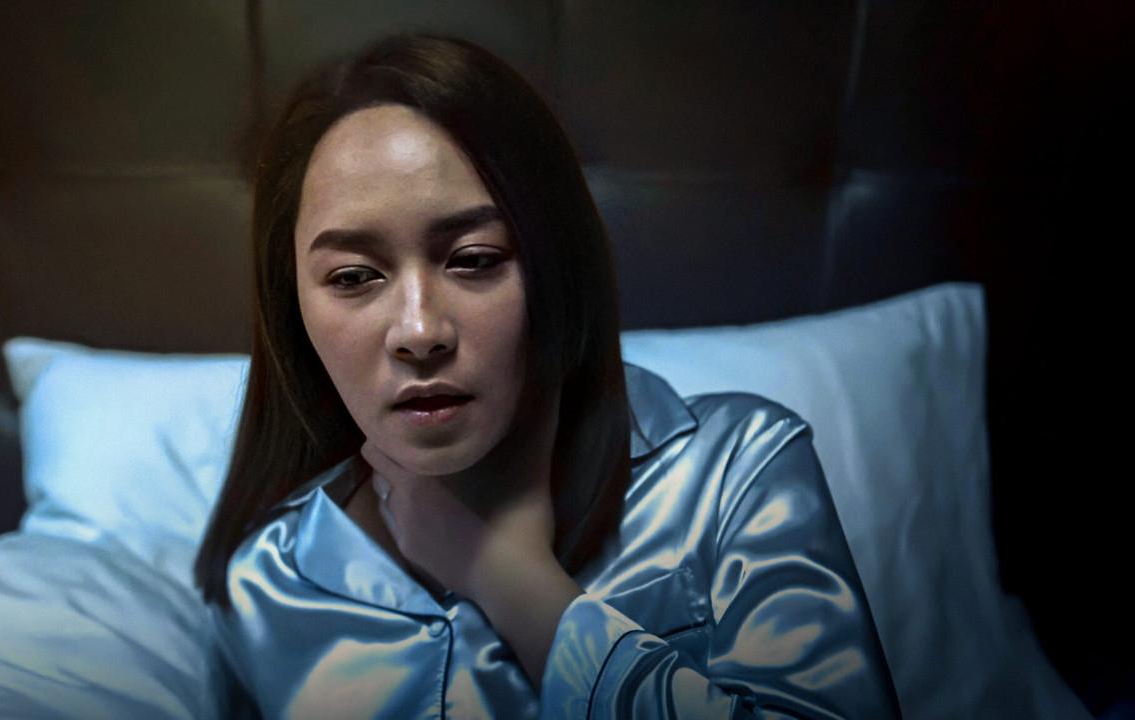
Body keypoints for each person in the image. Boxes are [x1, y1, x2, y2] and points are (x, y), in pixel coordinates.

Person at [194, 32, 902, 719]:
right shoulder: (265, 583)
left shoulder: (735, 473)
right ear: (293, 303)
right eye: (353, 276)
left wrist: (514, 585)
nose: (419, 331)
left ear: (554, 265)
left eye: (474, 260)